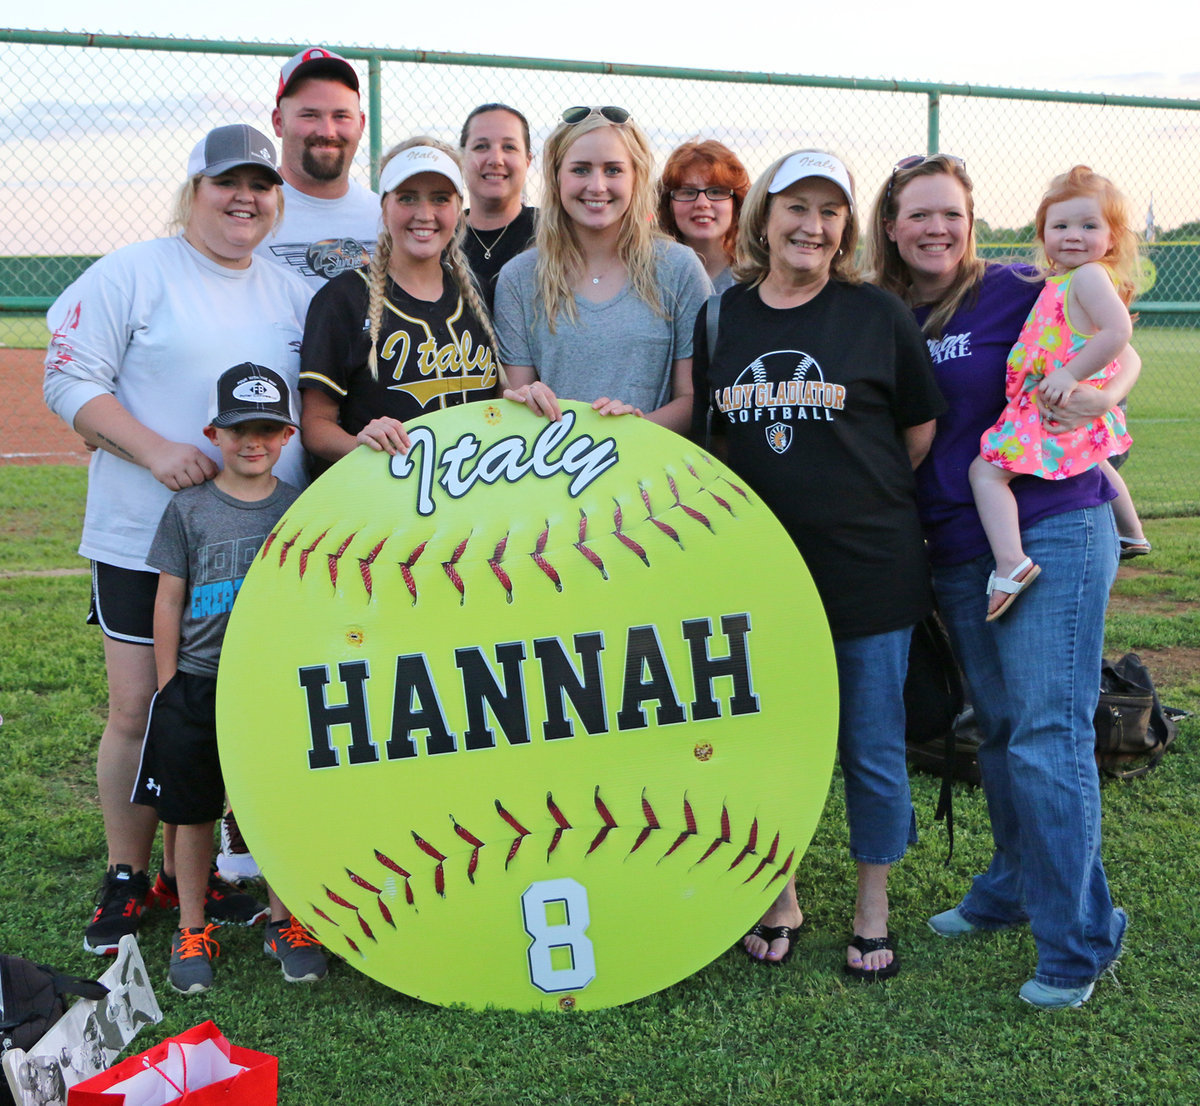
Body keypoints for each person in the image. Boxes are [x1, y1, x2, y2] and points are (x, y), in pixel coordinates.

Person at [869, 153, 1135, 1008]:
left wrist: (1108, 392)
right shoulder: (879, 311)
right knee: (1001, 728)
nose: (936, 228)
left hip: (1052, 519)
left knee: (1047, 732)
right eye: (919, 215)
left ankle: (1078, 942)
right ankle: (1013, 887)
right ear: (891, 225)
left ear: (972, 220)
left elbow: (1112, 336)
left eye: (950, 212)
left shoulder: (1019, 285)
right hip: (954, 543)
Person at [44, 123, 311, 955]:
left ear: (278, 198)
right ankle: (129, 875)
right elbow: (66, 374)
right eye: (226, 182)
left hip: (265, 544)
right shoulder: (136, 270)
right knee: (141, 707)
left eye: (261, 185)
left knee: (246, 711)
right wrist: (155, 449)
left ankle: (220, 870)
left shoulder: (293, 291)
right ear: (193, 190)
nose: (245, 198)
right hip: (143, 538)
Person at [691, 149, 945, 978]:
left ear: (846, 226)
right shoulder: (723, 316)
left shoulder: (875, 314)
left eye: (830, 210)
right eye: (796, 206)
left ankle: (872, 906)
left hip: (867, 569)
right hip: (757, 576)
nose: (813, 225)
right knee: (771, 746)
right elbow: (718, 441)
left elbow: (915, 432)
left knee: (871, 745)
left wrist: (850, 502)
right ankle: (780, 893)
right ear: (762, 217)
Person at [133, 365, 327, 994]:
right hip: (196, 681)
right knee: (190, 812)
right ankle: (193, 926)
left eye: (268, 429)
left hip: (269, 687)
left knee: (275, 804)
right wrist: (167, 686)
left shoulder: (298, 508)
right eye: (240, 429)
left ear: (288, 434)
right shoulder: (188, 509)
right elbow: (168, 601)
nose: (254, 441)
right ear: (214, 432)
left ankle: (284, 918)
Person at [969, 166, 1146, 619]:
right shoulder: (1064, 280)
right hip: (1052, 399)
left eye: (1089, 226)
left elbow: (1119, 333)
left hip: (1050, 402)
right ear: (1043, 232)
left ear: (1112, 235)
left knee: (986, 473)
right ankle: (1131, 532)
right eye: (1060, 225)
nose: (1073, 235)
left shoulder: (1088, 277)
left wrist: (1070, 376)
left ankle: (1011, 563)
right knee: (1094, 456)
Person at [494, 106, 711, 431]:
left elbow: (694, 398)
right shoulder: (519, 278)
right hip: (553, 471)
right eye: (580, 170)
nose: (597, 186)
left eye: (613, 170)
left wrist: (629, 433)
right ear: (556, 177)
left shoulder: (679, 269)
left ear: (636, 176)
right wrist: (527, 399)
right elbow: (512, 400)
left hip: (650, 469)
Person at [299, 138, 503, 468]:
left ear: (458, 208)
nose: (424, 215)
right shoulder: (343, 298)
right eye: (407, 198)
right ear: (384, 206)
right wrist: (362, 446)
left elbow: (496, 404)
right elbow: (316, 427)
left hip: (471, 500)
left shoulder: (478, 294)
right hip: (384, 504)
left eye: (440, 199)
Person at [255, 47, 379, 288]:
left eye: (341, 116)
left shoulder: (385, 218)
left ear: (361, 124)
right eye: (310, 115)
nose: (327, 131)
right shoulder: (248, 214)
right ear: (279, 122)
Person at [459, 103, 537, 308]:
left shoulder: (554, 232)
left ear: (528, 160)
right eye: (481, 146)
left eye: (509, 147)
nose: (495, 159)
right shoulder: (440, 236)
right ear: (461, 158)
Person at [658, 139, 750, 292]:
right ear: (669, 204)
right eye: (688, 192)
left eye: (716, 192)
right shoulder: (652, 276)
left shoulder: (757, 278)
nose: (702, 203)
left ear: (736, 202)